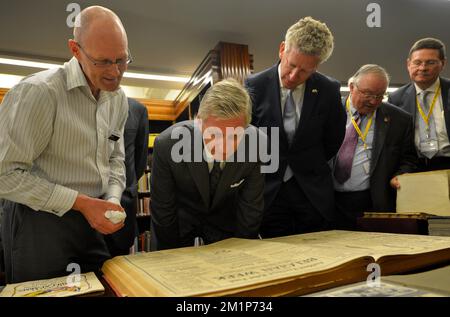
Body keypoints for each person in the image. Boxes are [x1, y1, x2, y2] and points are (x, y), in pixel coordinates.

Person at [0, 6, 130, 283]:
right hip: (39, 223)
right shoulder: (37, 93)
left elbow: (116, 159)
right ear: (75, 49)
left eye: (122, 60)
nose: (115, 72)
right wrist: (81, 203)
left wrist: (113, 200)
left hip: (94, 219)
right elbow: (5, 175)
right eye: (103, 62)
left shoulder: (118, 100)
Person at [245, 17, 346, 238]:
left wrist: (306, 162)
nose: (293, 76)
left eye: (304, 72)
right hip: (269, 191)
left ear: (317, 66)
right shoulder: (253, 86)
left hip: (312, 192)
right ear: (282, 49)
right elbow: (246, 140)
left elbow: (333, 138)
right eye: (291, 65)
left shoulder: (328, 89)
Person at [150, 79, 265, 251]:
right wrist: (172, 257)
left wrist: (242, 253)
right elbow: (163, 209)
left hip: (227, 222)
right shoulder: (167, 144)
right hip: (180, 221)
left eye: (234, 137)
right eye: (215, 135)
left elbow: (250, 208)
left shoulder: (257, 144)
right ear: (198, 122)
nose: (223, 147)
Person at [333, 65, 418, 229]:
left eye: (380, 95)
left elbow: (409, 159)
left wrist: (401, 175)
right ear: (351, 87)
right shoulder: (330, 110)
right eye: (368, 94)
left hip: (371, 202)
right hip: (329, 200)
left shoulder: (399, 120)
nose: (374, 101)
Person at [388, 38, 450, 171]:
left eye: (430, 62)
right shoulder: (396, 98)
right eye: (417, 62)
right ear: (408, 64)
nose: (423, 68)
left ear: (443, 64)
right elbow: (395, 143)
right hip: (413, 167)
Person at [104, 98, 149, 256]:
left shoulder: (137, 109)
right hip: (80, 205)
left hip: (123, 202)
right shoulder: (75, 102)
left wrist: (127, 186)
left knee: (118, 266)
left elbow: (140, 158)